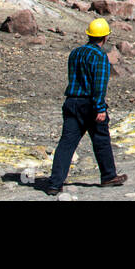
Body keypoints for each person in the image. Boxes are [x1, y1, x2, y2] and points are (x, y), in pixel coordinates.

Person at [44, 18, 127, 195]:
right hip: (89, 104)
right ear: (104, 37)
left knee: (66, 144)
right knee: (101, 140)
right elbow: (99, 85)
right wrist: (100, 108)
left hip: (71, 102)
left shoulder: (75, 53)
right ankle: (108, 176)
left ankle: (54, 184)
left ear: (89, 35)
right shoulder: (100, 57)